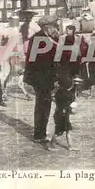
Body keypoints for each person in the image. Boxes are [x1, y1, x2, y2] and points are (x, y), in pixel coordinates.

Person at [24, 14, 60, 143]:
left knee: (43, 104)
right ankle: (39, 135)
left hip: (42, 77)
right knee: (42, 105)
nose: (56, 28)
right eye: (54, 26)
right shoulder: (40, 39)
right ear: (47, 27)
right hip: (41, 78)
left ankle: (40, 132)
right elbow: (42, 61)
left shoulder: (43, 38)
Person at [45, 64, 78, 151]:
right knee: (59, 131)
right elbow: (69, 102)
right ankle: (51, 145)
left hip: (61, 113)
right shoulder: (66, 94)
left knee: (67, 130)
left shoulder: (60, 92)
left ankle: (70, 146)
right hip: (62, 114)